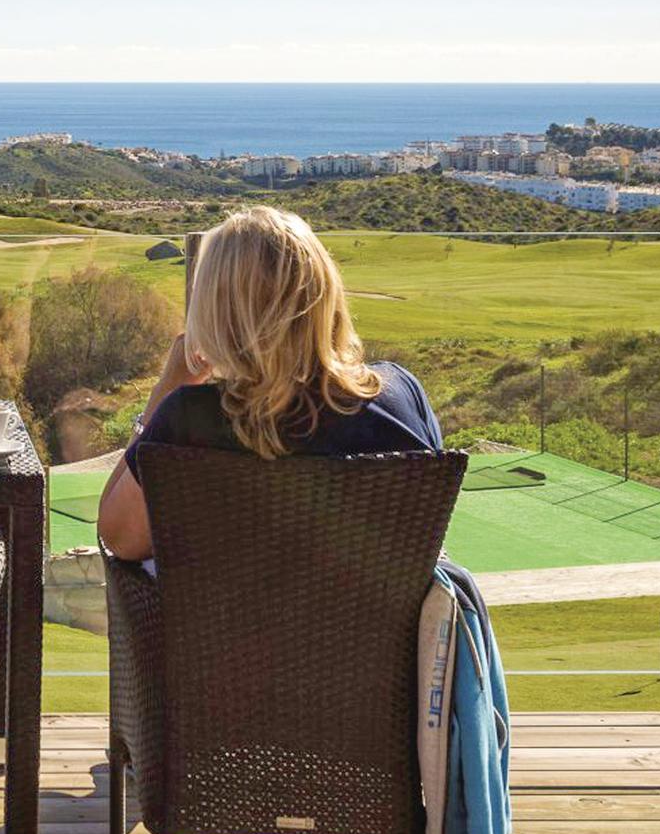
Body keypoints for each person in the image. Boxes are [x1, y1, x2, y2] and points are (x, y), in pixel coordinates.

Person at [97, 205, 444, 565]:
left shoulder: (190, 417)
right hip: (377, 603)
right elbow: (429, 524)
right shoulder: (400, 395)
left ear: (216, 311)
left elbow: (119, 538)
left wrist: (163, 392)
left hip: (228, 603)